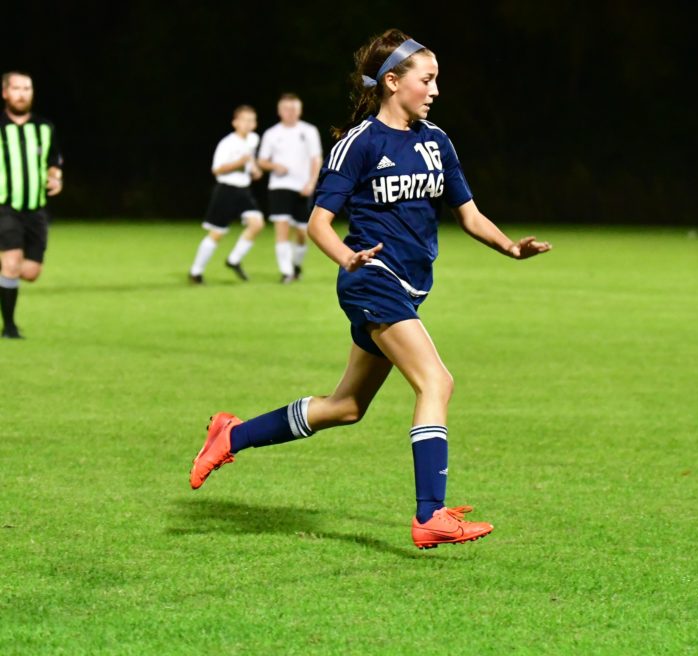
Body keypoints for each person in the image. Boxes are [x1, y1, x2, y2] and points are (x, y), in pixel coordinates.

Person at [188, 29, 551, 549]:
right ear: (393, 81)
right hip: (371, 281)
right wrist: (346, 256)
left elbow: (468, 214)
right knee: (436, 383)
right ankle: (430, 514)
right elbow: (318, 223)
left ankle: (232, 434)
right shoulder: (359, 144)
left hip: (406, 287)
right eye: (427, 79)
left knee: (346, 406)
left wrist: (510, 247)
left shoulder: (436, 142)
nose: (435, 90)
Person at [0, 71, 63, 340]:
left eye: (27, 88)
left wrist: (55, 178)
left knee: (30, 272)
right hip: (5, 206)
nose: (22, 94)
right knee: (11, 262)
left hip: (36, 210)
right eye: (17, 88)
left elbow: (53, 162)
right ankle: (9, 327)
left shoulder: (44, 128)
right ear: (5, 93)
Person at [188, 105, 265, 284]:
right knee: (217, 233)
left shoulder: (253, 138)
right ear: (235, 122)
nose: (248, 124)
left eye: (251, 120)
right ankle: (195, 272)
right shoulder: (227, 143)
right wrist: (239, 163)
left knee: (257, 224)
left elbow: (249, 160)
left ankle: (233, 260)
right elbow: (217, 169)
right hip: (226, 190)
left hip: (244, 190)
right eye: (244, 120)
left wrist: (254, 169)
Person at [257, 93, 323, 283]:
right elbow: (261, 161)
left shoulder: (309, 131)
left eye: (293, 109)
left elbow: (316, 158)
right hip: (279, 186)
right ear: (279, 111)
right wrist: (274, 166)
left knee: (302, 232)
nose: (290, 112)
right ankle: (286, 272)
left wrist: (311, 183)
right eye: (286, 109)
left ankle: (296, 265)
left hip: (302, 187)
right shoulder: (271, 133)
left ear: (299, 110)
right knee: (282, 228)